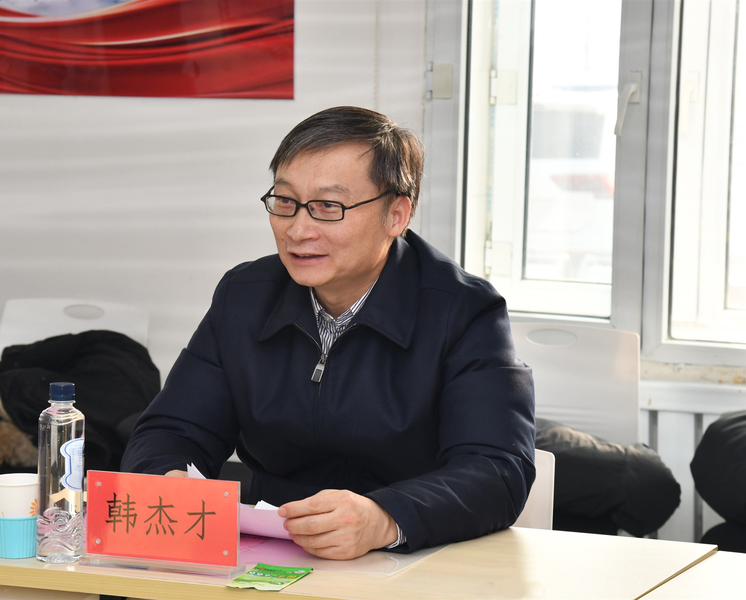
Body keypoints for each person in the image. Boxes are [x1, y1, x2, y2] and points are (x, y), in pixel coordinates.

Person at [121, 106, 536, 560]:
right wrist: (169, 479)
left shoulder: (464, 311)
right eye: (285, 201)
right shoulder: (244, 296)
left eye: (328, 207)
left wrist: (384, 518)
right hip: (271, 551)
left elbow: (498, 469)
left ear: (396, 215)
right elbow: (172, 430)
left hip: (412, 555)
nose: (298, 230)